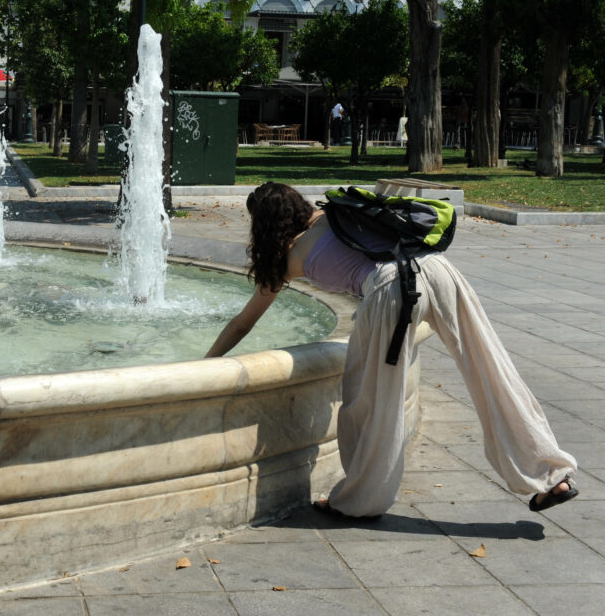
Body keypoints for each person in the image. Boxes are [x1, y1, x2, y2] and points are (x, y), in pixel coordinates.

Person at [206, 182, 578, 519]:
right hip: (438, 269)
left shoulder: (288, 259)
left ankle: (359, 501)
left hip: (390, 288)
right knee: (493, 371)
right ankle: (552, 473)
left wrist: (208, 362)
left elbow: (243, 322)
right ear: (297, 204)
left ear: (264, 225)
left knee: (367, 402)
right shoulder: (334, 212)